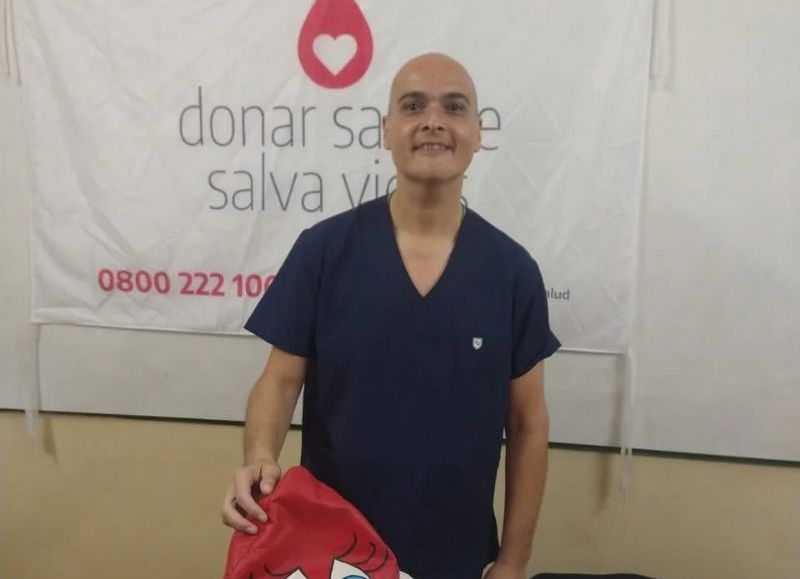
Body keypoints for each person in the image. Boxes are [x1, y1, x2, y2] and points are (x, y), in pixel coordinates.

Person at [221, 53, 560, 579]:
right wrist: (261, 454)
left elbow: (528, 424)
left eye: (454, 108)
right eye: (413, 106)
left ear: (477, 133)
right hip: (332, 553)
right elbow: (280, 380)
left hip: (455, 558)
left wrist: (514, 560)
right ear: (385, 131)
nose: (433, 121)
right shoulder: (324, 251)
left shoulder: (512, 272)